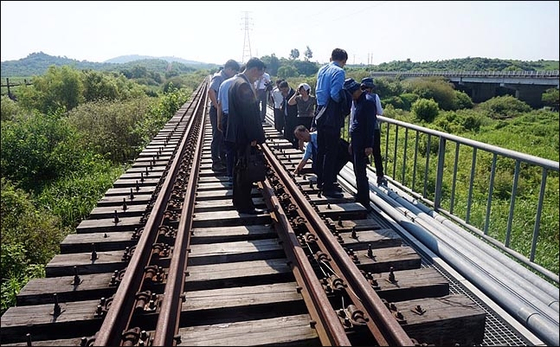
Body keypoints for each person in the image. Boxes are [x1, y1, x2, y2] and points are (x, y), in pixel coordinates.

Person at [224, 57, 267, 214]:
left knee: (239, 169)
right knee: (244, 171)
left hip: (237, 134)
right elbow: (249, 115)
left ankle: (239, 202)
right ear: (254, 70)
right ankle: (245, 206)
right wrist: (255, 137)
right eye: (259, 74)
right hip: (243, 135)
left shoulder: (235, 82)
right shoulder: (243, 85)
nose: (259, 78)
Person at [312, 48, 349, 198]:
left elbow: (318, 91)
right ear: (344, 60)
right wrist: (344, 102)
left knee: (321, 149)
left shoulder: (322, 69)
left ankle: (320, 180)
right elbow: (335, 94)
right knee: (331, 151)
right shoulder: (339, 72)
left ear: (331, 57)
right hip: (331, 115)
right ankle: (328, 187)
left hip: (319, 112)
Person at [344, 78, 376, 211]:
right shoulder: (357, 101)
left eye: (351, 94)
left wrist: (369, 145)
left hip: (363, 142)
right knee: (357, 170)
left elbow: (370, 125)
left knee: (362, 172)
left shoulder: (368, 102)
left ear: (356, 91)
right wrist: (352, 141)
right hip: (357, 140)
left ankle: (365, 201)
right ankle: (360, 195)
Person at [293, 125, 351, 192]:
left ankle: (331, 184)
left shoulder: (319, 135)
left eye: (301, 136)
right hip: (330, 155)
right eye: (299, 138)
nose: (302, 139)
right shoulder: (310, 145)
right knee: (320, 167)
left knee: (333, 169)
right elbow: (304, 159)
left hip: (340, 152)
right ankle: (329, 184)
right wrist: (297, 170)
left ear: (306, 131)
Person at [208, 59, 240, 172]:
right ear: (229, 69)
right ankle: (215, 162)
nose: (235, 73)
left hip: (222, 110)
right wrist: (218, 107)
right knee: (217, 135)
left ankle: (222, 160)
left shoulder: (226, 78)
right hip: (216, 110)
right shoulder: (218, 77)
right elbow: (211, 91)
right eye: (234, 71)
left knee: (223, 136)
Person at [217, 65, 244, 181]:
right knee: (241, 147)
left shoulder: (224, 83)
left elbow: (219, 104)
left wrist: (219, 121)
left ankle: (230, 175)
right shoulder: (242, 84)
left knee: (229, 148)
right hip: (239, 119)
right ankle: (241, 174)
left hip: (226, 118)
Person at [360, 77, 386, 185]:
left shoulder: (357, 97)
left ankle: (362, 175)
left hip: (360, 129)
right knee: (376, 152)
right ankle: (380, 176)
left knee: (361, 152)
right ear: (371, 88)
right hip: (373, 128)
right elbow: (380, 112)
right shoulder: (375, 97)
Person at [288, 83, 316, 147]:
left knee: (309, 134)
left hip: (310, 118)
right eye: (300, 90)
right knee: (300, 135)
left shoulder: (312, 98)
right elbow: (290, 103)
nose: (302, 92)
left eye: (303, 90)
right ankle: (300, 148)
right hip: (300, 117)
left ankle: (310, 148)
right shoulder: (298, 98)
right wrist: (295, 94)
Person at [279, 80, 299, 149]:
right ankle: (288, 144)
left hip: (293, 116)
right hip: (286, 115)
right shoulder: (284, 93)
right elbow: (285, 102)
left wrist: (286, 96)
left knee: (294, 132)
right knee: (287, 132)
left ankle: (295, 146)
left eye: (283, 89)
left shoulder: (293, 93)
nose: (282, 91)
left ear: (286, 88)